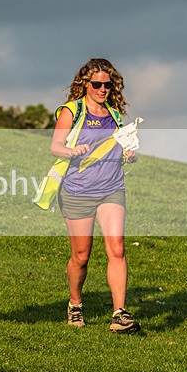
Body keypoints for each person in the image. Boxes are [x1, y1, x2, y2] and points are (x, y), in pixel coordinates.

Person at [49, 58, 140, 333]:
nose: (102, 89)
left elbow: (122, 149)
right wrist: (71, 151)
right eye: (97, 84)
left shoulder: (114, 115)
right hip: (77, 191)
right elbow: (55, 146)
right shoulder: (72, 111)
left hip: (112, 188)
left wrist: (129, 155)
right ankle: (75, 303)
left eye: (107, 84)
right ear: (84, 84)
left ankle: (119, 314)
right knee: (81, 256)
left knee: (117, 248)